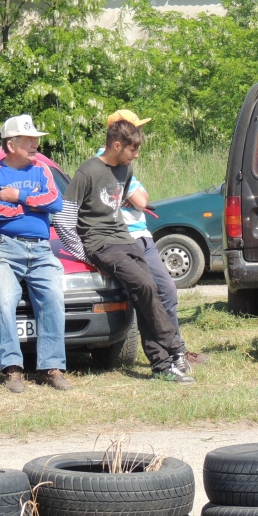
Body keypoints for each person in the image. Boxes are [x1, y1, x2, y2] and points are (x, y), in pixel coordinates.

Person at [52, 119, 194, 383]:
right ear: (117, 145)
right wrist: (86, 255)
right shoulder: (87, 172)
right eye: (133, 149)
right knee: (145, 286)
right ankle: (175, 350)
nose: (136, 154)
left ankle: (161, 366)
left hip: (126, 240)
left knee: (147, 293)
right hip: (102, 245)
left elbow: (120, 204)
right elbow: (63, 219)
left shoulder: (125, 170)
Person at [100, 110, 209, 370]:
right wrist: (135, 197)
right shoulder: (105, 165)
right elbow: (140, 200)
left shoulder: (126, 166)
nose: (140, 134)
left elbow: (145, 198)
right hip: (126, 239)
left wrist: (137, 197)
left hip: (142, 236)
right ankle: (168, 355)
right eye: (135, 128)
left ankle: (174, 350)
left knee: (166, 291)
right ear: (120, 134)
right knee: (153, 293)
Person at [0, 114, 72, 393]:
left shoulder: (42, 169)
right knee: (5, 300)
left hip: (41, 249)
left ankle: (52, 367)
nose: (35, 145)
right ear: (11, 144)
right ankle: (12, 370)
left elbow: (55, 202)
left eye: (35, 140)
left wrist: (18, 198)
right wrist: (31, 209)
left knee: (53, 298)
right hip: (2, 248)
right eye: (29, 140)